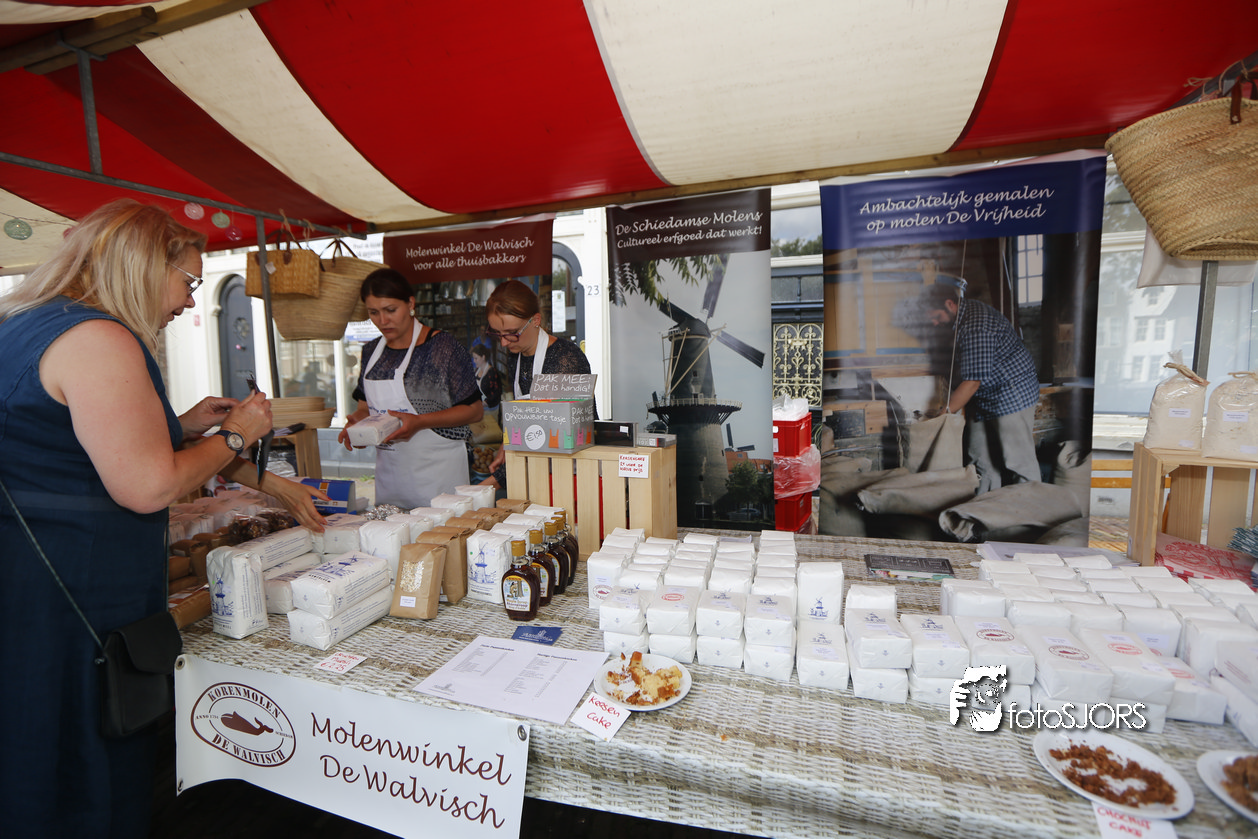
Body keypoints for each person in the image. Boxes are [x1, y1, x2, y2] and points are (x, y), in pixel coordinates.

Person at [0, 199, 327, 839]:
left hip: (34, 578)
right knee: (86, 756)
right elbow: (148, 486)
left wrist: (182, 427)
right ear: (146, 266)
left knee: (36, 745)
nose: (188, 301)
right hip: (76, 592)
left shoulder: (26, 324)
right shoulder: (97, 338)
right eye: (188, 282)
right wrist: (237, 433)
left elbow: (77, 449)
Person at [338, 269, 483, 508]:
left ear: (410, 303)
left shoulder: (442, 347)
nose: (382, 320)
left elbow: (474, 410)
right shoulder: (371, 352)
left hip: (438, 478)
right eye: (373, 313)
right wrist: (358, 425)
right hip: (391, 480)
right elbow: (364, 407)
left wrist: (419, 422)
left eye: (390, 310)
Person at [919, 283, 1041, 495]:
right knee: (979, 458)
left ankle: (1030, 508)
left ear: (950, 304)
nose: (934, 322)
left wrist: (945, 413)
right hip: (984, 394)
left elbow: (972, 382)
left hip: (1011, 392)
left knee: (1017, 461)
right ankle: (984, 507)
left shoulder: (975, 326)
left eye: (936, 316)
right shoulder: (961, 316)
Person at [482, 279, 595, 488]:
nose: (504, 342)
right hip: (536, 471)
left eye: (512, 333)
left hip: (569, 476)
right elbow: (527, 416)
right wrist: (507, 444)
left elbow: (552, 435)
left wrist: (493, 483)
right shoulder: (516, 355)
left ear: (535, 320)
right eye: (498, 334)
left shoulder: (565, 360)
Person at [471, 343, 503, 410]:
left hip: (490, 409)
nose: (474, 361)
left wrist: (483, 403)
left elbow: (496, 394)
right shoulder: (477, 370)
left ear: (483, 357)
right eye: (473, 358)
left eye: (476, 358)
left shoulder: (492, 373)